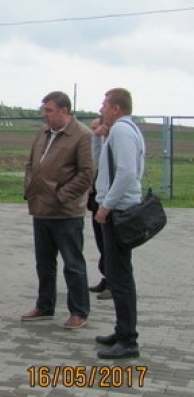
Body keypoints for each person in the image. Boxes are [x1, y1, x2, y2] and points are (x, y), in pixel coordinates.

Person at [22, 90, 94, 330]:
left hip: (66, 212)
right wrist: (30, 187)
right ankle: (44, 305)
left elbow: (86, 174)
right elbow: (31, 164)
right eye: (44, 110)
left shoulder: (82, 135)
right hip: (41, 208)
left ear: (64, 111)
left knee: (73, 264)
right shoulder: (43, 132)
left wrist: (60, 195)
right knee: (44, 263)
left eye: (49, 110)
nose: (45, 115)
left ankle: (79, 311)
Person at [94, 88, 145, 359]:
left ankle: (128, 340)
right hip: (118, 208)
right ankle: (122, 330)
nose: (101, 109)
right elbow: (104, 165)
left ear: (117, 108)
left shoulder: (123, 131)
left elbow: (126, 172)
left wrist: (106, 205)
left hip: (118, 211)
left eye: (105, 105)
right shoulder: (120, 131)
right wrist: (100, 138)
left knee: (120, 278)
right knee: (117, 274)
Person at [87, 117, 111, 300]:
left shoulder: (114, 144)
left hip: (109, 203)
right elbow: (95, 163)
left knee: (110, 245)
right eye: (92, 128)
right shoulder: (99, 144)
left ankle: (113, 283)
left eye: (96, 128)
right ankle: (107, 277)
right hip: (97, 200)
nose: (93, 131)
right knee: (101, 242)